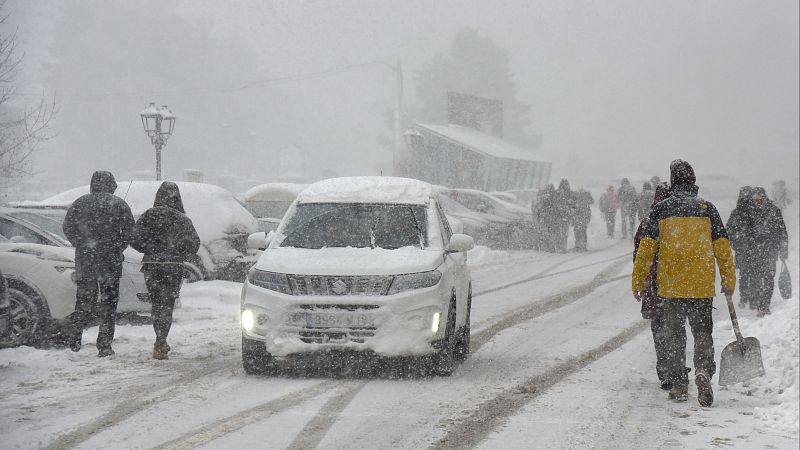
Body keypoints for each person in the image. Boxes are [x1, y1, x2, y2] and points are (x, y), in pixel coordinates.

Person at [632, 160, 735, 407]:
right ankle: (703, 372)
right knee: (702, 333)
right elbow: (723, 248)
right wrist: (728, 279)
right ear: (693, 180)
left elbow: (646, 249)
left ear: (674, 180)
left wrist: (638, 280)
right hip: (701, 286)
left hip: (671, 285)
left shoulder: (661, 210)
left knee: (675, 336)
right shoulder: (708, 209)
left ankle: (679, 384)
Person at [62, 171, 134, 357]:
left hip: (86, 261)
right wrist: (117, 247)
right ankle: (104, 344)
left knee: (84, 301)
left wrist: (82, 243)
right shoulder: (119, 204)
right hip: (110, 262)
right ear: (111, 185)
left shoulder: (80, 203)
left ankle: (74, 338)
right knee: (109, 304)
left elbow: (67, 227)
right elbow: (129, 232)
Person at [130, 182, 200, 360]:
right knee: (167, 304)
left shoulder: (148, 215)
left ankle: (160, 340)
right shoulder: (182, 219)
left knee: (157, 304)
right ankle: (161, 341)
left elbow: (134, 239)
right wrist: (176, 250)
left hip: (152, 265)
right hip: (173, 266)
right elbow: (194, 244)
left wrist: (151, 248)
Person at [633, 183, 673, 390]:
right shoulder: (677, 222)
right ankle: (675, 367)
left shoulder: (648, 222)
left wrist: (640, 280)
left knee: (659, 328)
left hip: (654, 285)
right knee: (675, 328)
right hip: (675, 283)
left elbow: (638, 254)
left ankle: (665, 369)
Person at [728, 187, 788, 317]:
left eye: (761, 199)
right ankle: (754, 300)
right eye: (756, 200)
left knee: (768, 278)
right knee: (752, 277)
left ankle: (764, 305)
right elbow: (736, 231)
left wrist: (783, 252)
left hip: (769, 252)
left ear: (765, 198)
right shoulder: (748, 212)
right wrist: (740, 243)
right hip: (753, 253)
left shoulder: (774, 211)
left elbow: (782, 232)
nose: (759, 202)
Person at [726, 186, 755, 308]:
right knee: (753, 273)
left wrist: (734, 241)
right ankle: (752, 297)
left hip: (742, 247)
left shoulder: (736, 212)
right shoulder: (755, 211)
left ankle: (744, 297)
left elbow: (728, 229)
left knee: (745, 274)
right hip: (753, 247)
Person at [533, 184, 558, 252]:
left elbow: (536, 209)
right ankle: (551, 247)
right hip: (550, 218)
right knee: (550, 233)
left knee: (544, 233)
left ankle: (544, 246)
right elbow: (555, 209)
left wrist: (538, 217)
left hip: (543, 218)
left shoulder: (539, 199)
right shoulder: (553, 197)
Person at [553, 178, 574, 252]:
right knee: (564, 232)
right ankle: (563, 247)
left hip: (558, 216)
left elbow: (554, 203)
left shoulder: (557, 192)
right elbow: (572, 204)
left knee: (558, 232)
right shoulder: (569, 193)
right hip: (566, 215)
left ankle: (558, 246)